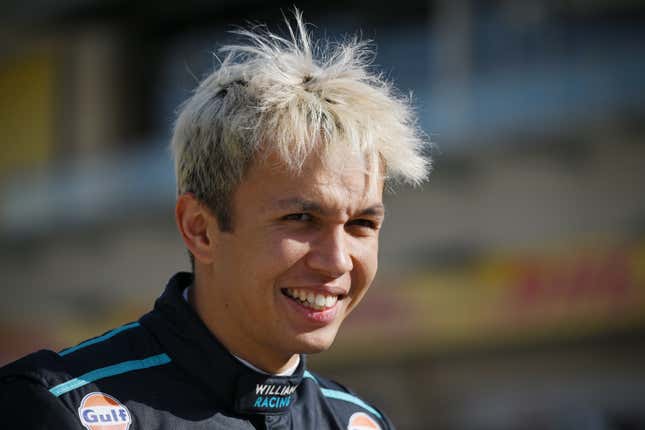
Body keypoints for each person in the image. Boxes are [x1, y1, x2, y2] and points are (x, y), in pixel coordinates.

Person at [0, 11, 429, 429]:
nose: (337, 262)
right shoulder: (54, 407)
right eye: (300, 218)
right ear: (199, 229)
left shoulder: (359, 422)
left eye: (361, 225)